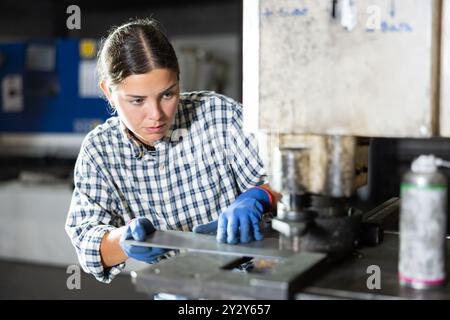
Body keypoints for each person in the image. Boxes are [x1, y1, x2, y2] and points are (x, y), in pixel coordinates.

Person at [65, 18, 281, 283]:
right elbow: (87, 245)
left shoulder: (218, 116)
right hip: (176, 289)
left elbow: (290, 184)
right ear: (109, 93)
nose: (156, 115)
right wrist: (124, 241)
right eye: (137, 101)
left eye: (168, 94)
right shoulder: (100, 151)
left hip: (255, 283)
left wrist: (259, 197)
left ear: (179, 80)